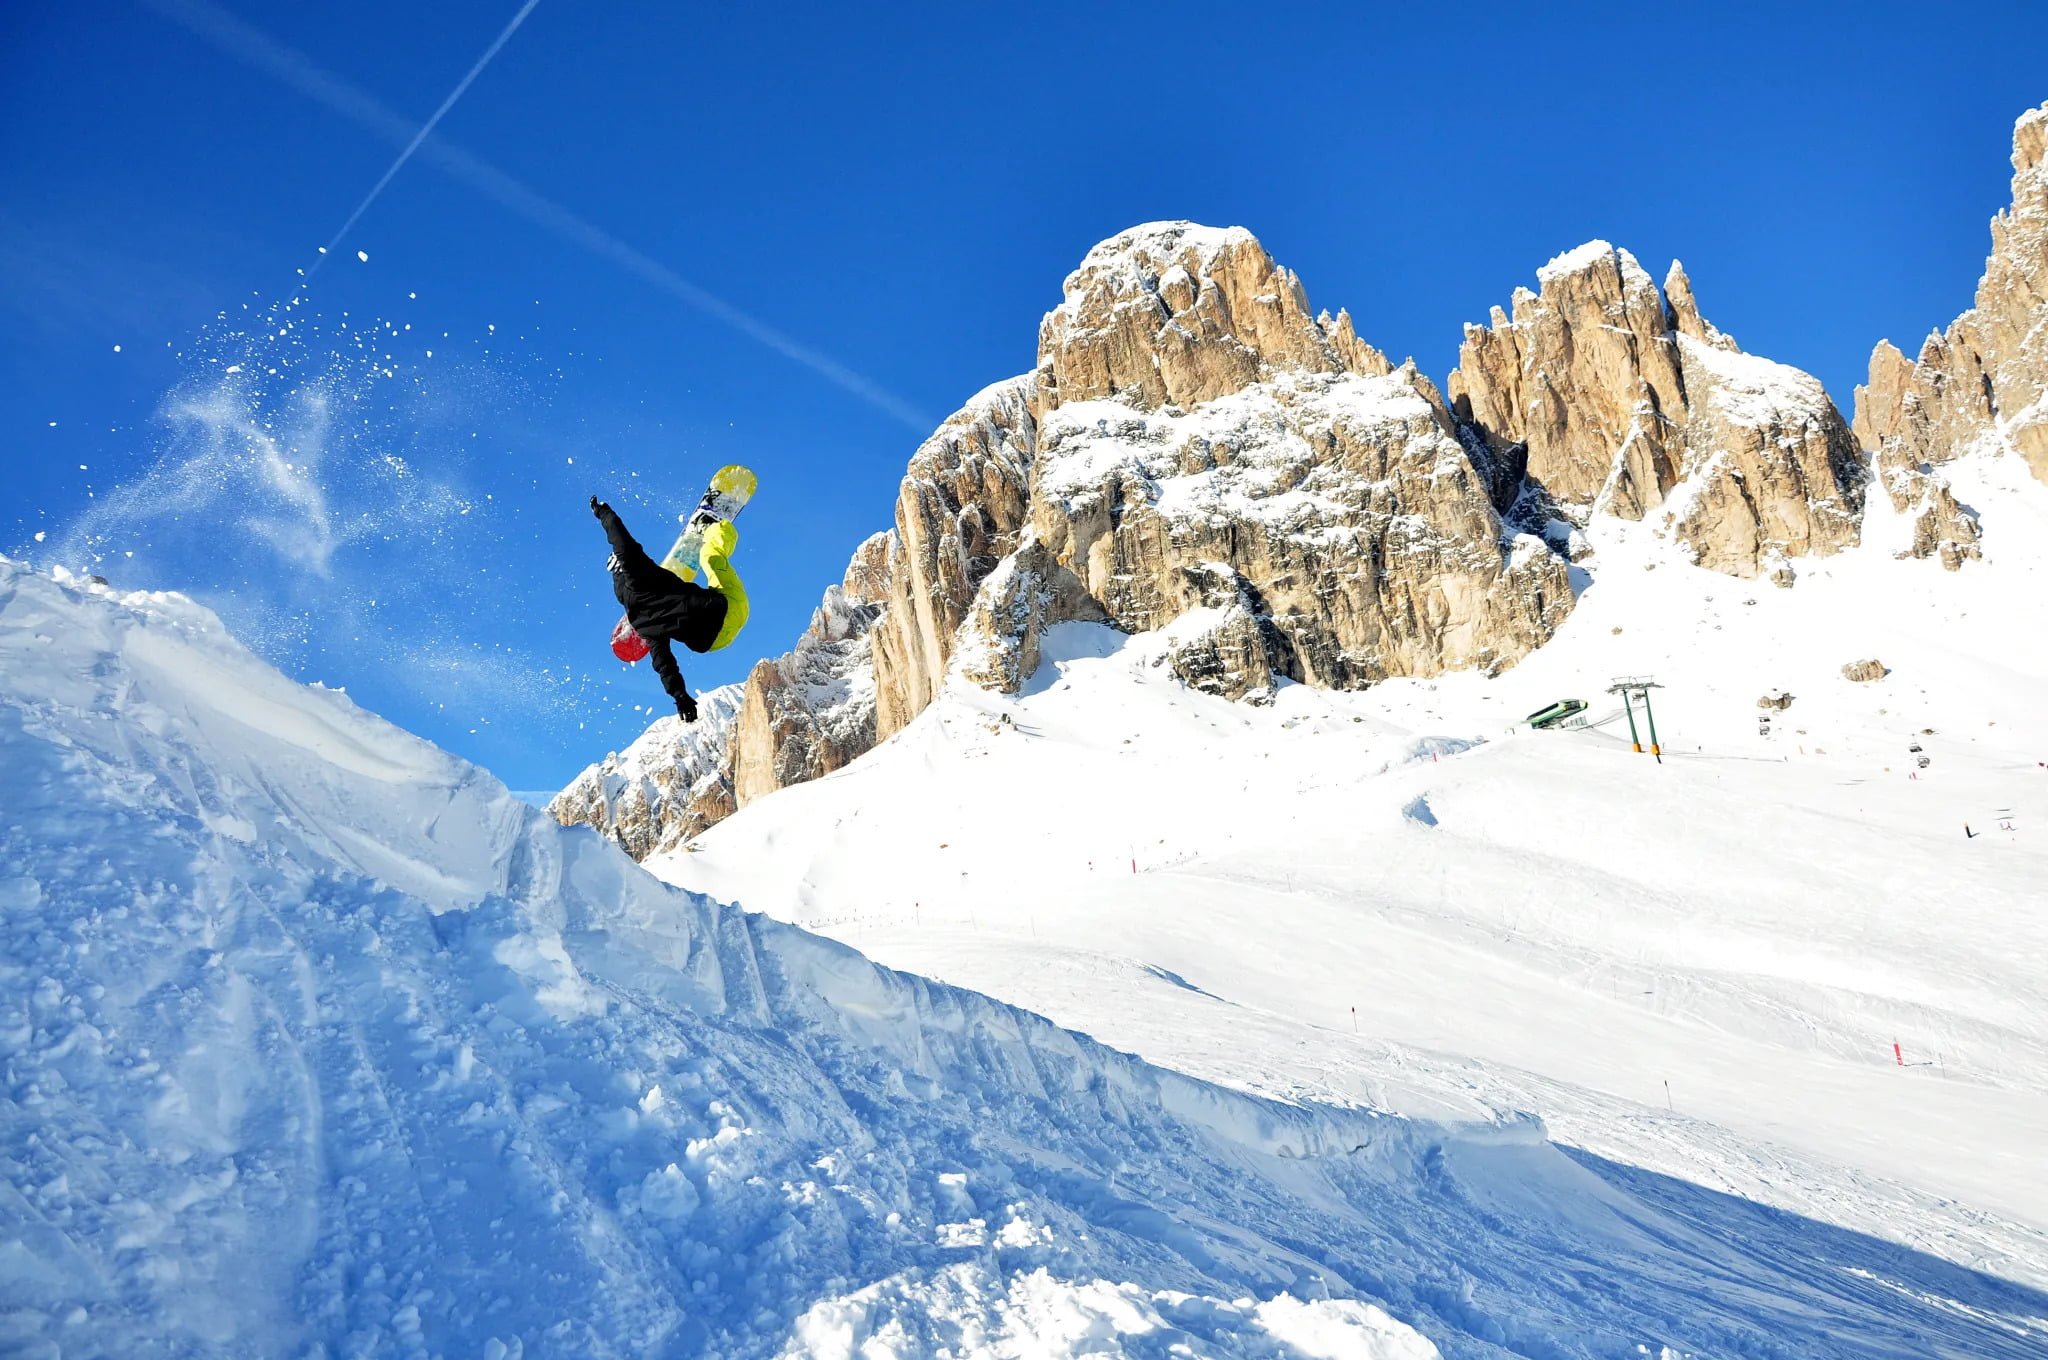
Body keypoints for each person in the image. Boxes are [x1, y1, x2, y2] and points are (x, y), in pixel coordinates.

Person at [591, 495, 740, 723]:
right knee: (710, 557)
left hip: (715, 643)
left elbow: (664, 664)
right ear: (626, 569)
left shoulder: (645, 627)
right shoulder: (638, 574)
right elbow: (623, 544)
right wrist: (604, 513)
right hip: (727, 608)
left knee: (687, 612)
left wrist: (679, 695)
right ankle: (712, 525)